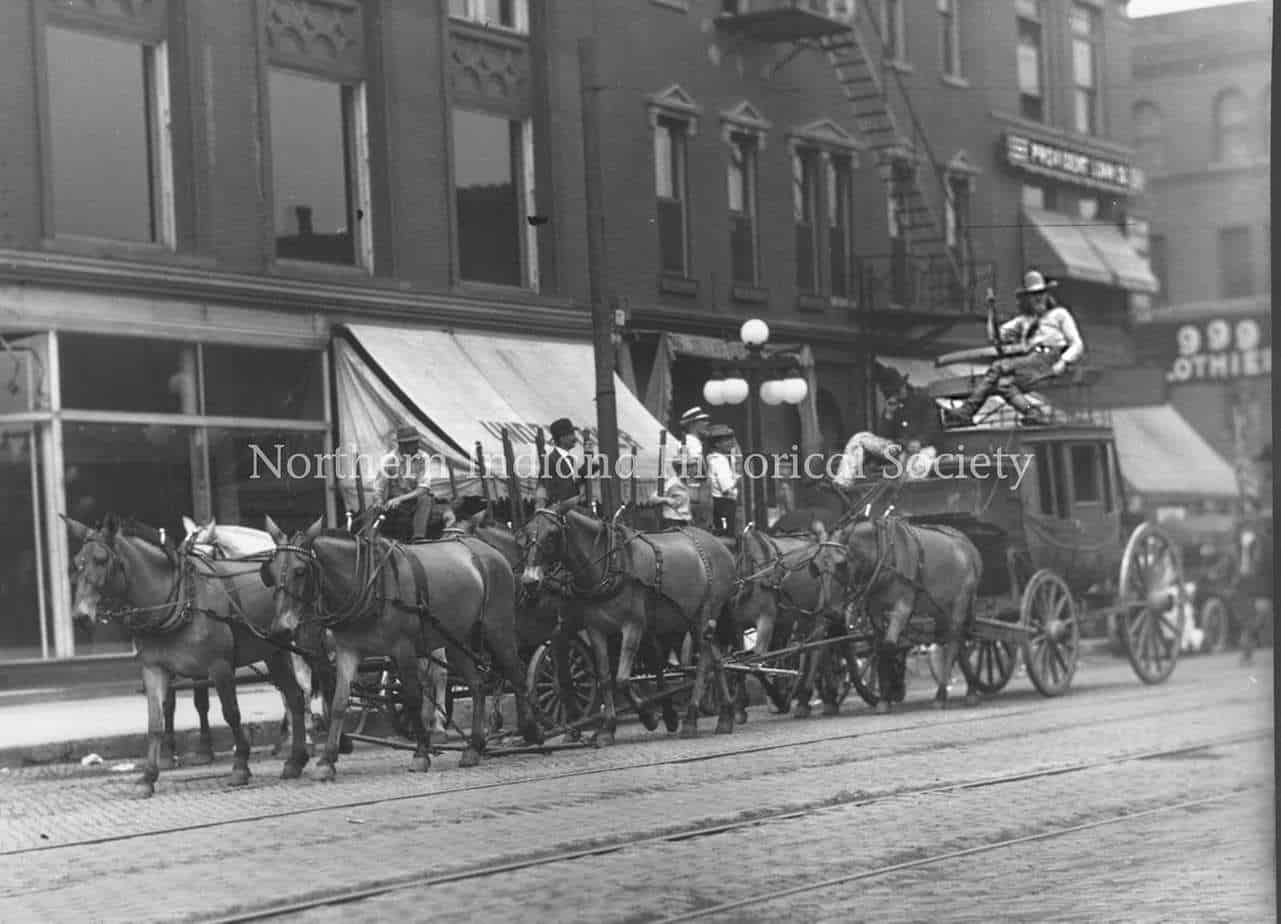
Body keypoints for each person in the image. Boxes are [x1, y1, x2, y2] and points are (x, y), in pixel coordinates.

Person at [943, 270, 1085, 428]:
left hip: (1050, 358)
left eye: (1041, 293)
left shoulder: (1059, 314)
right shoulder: (1023, 321)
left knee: (998, 366)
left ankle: (966, 411)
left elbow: (1077, 344)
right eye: (1033, 295)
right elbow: (995, 336)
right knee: (1003, 384)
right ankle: (1033, 412)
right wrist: (991, 311)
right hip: (1030, 364)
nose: (1038, 298)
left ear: (1047, 295)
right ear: (1027, 299)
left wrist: (1064, 362)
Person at [834, 382, 941, 487]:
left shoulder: (923, 401)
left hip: (922, 448)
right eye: (893, 392)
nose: (898, 393)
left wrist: (920, 441)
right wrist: (888, 414)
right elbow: (883, 435)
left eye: (898, 389)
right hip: (896, 447)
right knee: (859, 438)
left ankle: (907, 494)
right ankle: (843, 481)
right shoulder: (894, 405)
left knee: (919, 464)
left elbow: (933, 428)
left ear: (904, 386)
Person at [376, 425, 433, 540]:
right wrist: (378, 500)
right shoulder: (389, 459)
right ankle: (373, 539)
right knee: (376, 510)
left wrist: (400, 499)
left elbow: (424, 488)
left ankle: (418, 537)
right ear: (402, 445)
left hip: (414, 498)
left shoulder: (423, 457)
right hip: (394, 499)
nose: (417, 445)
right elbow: (379, 487)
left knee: (426, 499)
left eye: (416, 442)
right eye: (413, 443)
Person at [536, 417, 586, 507]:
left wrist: (592, 465)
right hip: (559, 510)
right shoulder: (550, 460)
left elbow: (575, 481)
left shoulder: (571, 459)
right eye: (571, 434)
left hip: (573, 508)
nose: (575, 438)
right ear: (562, 438)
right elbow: (543, 486)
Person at [704, 424, 739, 536]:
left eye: (730, 439)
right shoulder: (719, 461)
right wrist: (738, 481)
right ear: (717, 444)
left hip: (721, 503)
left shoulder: (720, 458)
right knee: (727, 535)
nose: (730, 443)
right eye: (726, 440)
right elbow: (727, 488)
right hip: (724, 503)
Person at [645, 459, 694, 528]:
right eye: (688, 467)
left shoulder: (686, 484)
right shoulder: (672, 483)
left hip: (684, 523)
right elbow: (652, 498)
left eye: (691, 467)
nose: (691, 470)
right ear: (681, 469)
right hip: (673, 522)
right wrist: (666, 499)